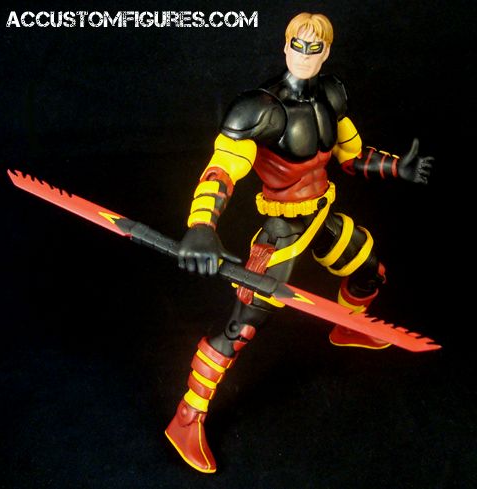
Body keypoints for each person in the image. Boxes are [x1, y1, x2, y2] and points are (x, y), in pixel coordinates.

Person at [165, 12, 433, 473]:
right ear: (285, 46)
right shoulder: (260, 109)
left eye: (315, 48)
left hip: (322, 215)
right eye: (298, 46)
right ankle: (187, 417)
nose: (305, 56)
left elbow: (351, 157)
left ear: (327, 51)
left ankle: (349, 327)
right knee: (242, 327)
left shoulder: (332, 95)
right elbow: (222, 169)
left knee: (370, 273)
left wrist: (395, 167)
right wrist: (202, 224)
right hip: (282, 231)